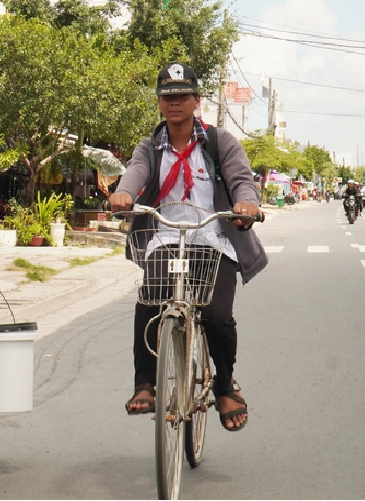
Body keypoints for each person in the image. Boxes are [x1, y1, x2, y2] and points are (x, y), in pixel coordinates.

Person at [108, 62, 268, 432]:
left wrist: (246, 204)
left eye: (182, 96)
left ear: (197, 100)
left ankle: (226, 387)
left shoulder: (220, 142)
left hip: (214, 239)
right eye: (168, 96)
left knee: (215, 316)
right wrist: (124, 193)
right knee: (149, 301)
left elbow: (241, 180)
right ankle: (144, 384)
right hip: (166, 239)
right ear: (160, 104)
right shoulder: (149, 147)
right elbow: (135, 173)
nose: (175, 102)